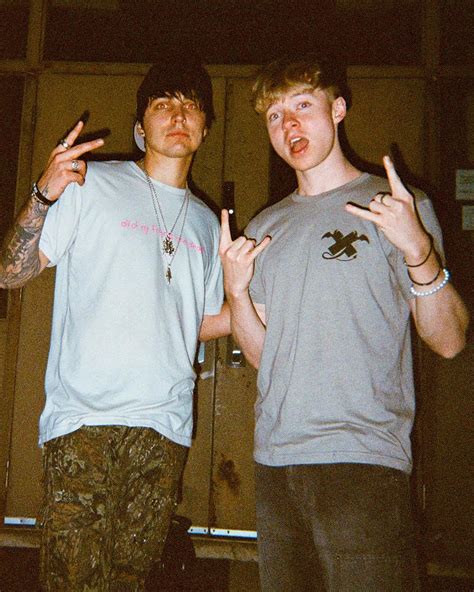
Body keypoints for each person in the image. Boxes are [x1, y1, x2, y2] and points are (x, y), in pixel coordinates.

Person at [219, 54, 469, 592]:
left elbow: (449, 340)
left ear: (337, 109)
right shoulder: (267, 226)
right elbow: (264, 357)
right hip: (275, 462)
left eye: (302, 106)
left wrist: (418, 250)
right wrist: (237, 294)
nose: (289, 124)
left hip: (363, 460)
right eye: (275, 115)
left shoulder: (396, 207)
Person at [0, 55, 230, 591]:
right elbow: (11, 273)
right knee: (73, 581)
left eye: (191, 105)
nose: (178, 114)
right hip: (84, 420)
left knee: (131, 582)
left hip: (165, 428)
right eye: (163, 104)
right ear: (140, 126)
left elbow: (199, 323)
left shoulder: (206, 222)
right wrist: (42, 194)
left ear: (204, 129)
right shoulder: (91, 185)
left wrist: (255, 297)